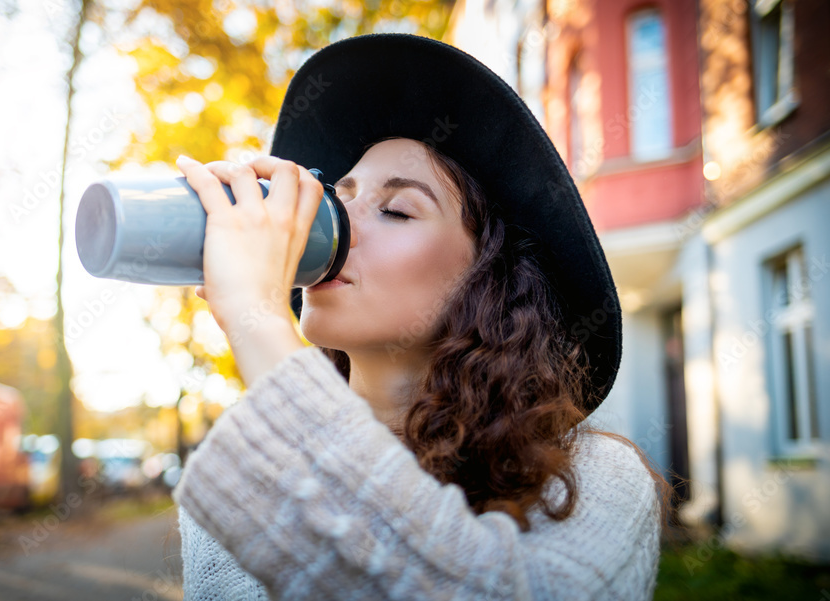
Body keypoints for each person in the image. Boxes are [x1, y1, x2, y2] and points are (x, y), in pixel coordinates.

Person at [171, 33, 673, 600]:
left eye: (395, 210)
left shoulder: (588, 482)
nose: (335, 223)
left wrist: (257, 319)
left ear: (487, 278)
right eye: (338, 195)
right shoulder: (248, 481)